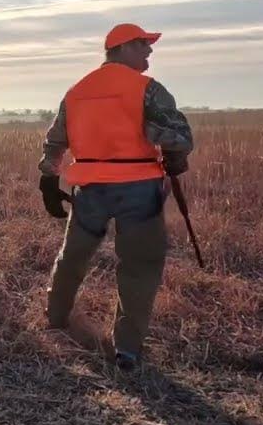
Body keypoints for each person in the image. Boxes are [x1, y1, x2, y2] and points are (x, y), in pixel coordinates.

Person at [37, 23, 194, 371]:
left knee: (73, 255)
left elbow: (54, 143)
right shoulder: (147, 89)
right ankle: (127, 349)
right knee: (139, 265)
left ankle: (56, 319)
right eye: (143, 45)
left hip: (89, 187)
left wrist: (48, 178)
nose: (149, 51)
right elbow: (177, 136)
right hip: (138, 187)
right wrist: (173, 153)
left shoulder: (76, 91)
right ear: (122, 48)